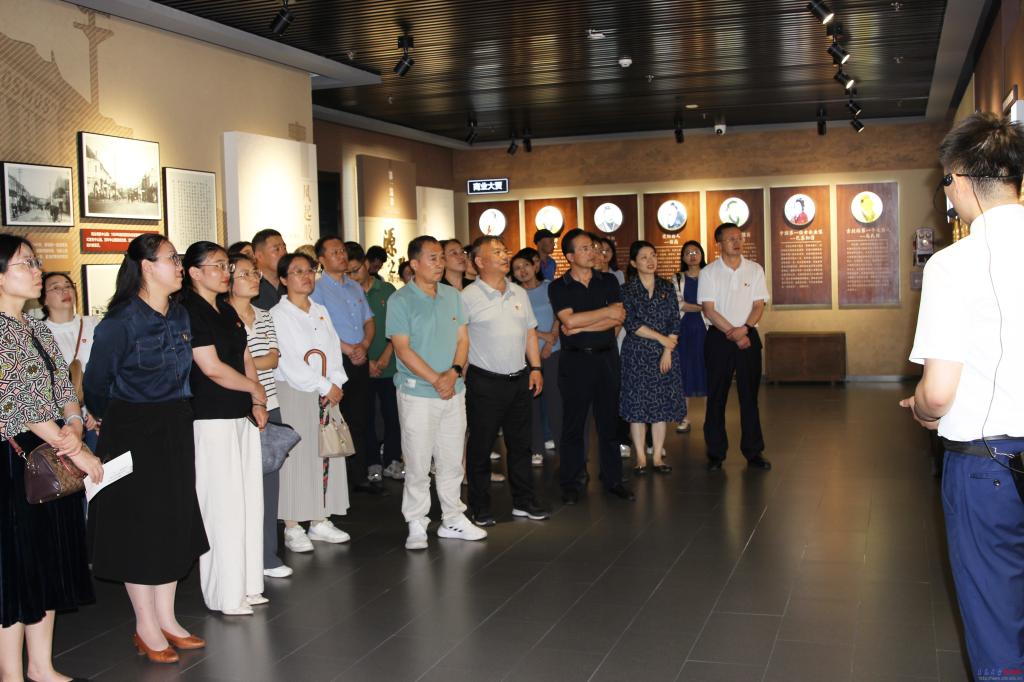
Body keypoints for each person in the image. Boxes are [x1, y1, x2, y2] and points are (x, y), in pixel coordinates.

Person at [901, 112, 1024, 678]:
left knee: (995, 613)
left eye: (944, 182)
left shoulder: (953, 264)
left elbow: (939, 392)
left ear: (961, 179)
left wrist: (922, 409)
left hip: (987, 464)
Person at [85, 233, 207, 663]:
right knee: (139, 527)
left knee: (173, 520)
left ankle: (167, 618)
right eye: (172, 259)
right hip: (132, 429)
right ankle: (145, 625)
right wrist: (109, 418)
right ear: (146, 267)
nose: (179, 266)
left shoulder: (180, 313)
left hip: (175, 424)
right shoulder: (120, 322)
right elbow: (95, 384)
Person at [0, 234, 102, 679]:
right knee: (16, 568)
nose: (37, 270)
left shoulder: (35, 327)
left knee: (45, 562)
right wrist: (75, 448)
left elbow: (63, 387)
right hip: (14, 460)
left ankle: (41, 666)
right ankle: (10, 672)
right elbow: (17, 403)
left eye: (35, 262)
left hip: (50, 451)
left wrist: (74, 423)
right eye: (26, 263)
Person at [179, 241, 268, 615]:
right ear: (194, 272)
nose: (224, 272)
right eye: (216, 265)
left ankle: (248, 584)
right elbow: (211, 367)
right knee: (222, 507)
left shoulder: (226, 309)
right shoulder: (188, 311)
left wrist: (257, 399)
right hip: (210, 417)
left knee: (249, 503)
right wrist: (254, 389)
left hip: (240, 413)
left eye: (225, 265)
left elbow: (245, 355)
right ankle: (225, 593)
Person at [386, 236, 486, 549]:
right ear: (414, 264)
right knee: (417, 462)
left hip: (454, 390)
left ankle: (453, 517)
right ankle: (416, 521)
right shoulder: (400, 300)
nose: (440, 263)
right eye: (433, 257)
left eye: (442, 257)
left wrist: (453, 373)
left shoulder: (452, 296)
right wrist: (436, 379)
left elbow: (463, 340)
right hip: (418, 393)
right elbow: (402, 349)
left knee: (452, 459)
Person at [463, 236, 548, 526]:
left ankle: (524, 502)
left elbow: (530, 332)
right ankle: (479, 506)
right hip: (484, 382)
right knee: (481, 447)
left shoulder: (518, 292)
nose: (504, 255)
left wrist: (535, 367)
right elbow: (460, 340)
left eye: (504, 250)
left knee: (521, 446)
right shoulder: (467, 296)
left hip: (519, 379)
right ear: (479, 261)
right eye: (496, 252)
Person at [270, 252, 351, 553]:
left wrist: (336, 382)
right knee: (297, 458)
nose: (306, 276)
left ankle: (320, 518)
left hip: (327, 390)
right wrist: (324, 385)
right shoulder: (278, 315)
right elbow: (289, 360)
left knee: (326, 451)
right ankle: (293, 525)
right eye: (297, 271)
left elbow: (333, 350)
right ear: (283, 279)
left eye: (309, 270)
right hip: (296, 391)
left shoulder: (320, 310)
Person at [548, 229, 633, 504]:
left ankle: (613, 479)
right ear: (570, 256)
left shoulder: (608, 281)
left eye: (593, 247)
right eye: (585, 248)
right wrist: (603, 314)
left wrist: (582, 323)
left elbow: (618, 318)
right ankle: (571, 482)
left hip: (607, 358)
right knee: (574, 424)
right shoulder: (558, 286)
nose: (593, 252)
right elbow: (568, 321)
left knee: (609, 423)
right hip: (575, 361)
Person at [226, 252, 292, 580]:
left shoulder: (265, 315)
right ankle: (240, 557)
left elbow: (273, 359)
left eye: (255, 273)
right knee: (237, 486)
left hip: (269, 402)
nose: (255, 279)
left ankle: (268, 555)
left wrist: (248, 361)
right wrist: (252, 361)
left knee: (268, 482)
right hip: (235, 406)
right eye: (246, 274)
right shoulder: (222, 317)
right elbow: (230, 364)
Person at [309, 236, 380, 494]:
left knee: (360, 419)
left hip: (359, 359)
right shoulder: (317, 289)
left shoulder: (354, 286)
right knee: (337, 420)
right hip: (336, 363)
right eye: (334, 252)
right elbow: (319, 328)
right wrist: (350, 349)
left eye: (342, 251)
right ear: (321, 260)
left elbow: (368, 321)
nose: (341, 255)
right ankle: (338, 482)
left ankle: (359, 476)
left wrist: (365, 345)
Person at [698, 223, 771, 471]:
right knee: (716, 397)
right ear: (719, 243)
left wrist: (745, 329)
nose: (737, 242)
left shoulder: (755, 269)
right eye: (731, 239)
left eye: (739, 238)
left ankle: (754, 451)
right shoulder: (709, 272)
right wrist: (734, 333)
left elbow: (759, 305)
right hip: (719, 338)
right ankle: (715, 453)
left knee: (749, 397)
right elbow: (709, 310)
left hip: (748, 335)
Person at [619, 241, 683, 474]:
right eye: (644, 257)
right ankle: (640, 458)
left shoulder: (667, 286)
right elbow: (631, 323)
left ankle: (657, 457)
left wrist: (667, 349)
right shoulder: (626, 290)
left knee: (660, 407)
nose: (650, 260)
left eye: (653, 255)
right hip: (636, 353)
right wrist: (662, 339)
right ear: (634, 263)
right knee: (637, 407)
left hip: (663, 354)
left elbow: (675, 320)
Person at [345, 242, 404, 482]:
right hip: (361, 366)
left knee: (393, 416)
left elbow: (398, 326)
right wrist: (367, 362)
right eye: (347, 272)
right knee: (366, 417)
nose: (352, 276)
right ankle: (372, 463)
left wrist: (387, 354)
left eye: (356, 270)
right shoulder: (346, 293)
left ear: (367, 264)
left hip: (390, 365)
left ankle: (393, 460)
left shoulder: (387, 290)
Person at [40, 272, 101, 449]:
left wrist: (97, 410)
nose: (64, 290)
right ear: (44, 299)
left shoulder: (94, 324)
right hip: (61, 423)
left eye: (68, 286)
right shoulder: (39, 333)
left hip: (97, 419)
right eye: (56, 288)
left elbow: (109, 369)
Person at [512, 249, 560, 465]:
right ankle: (536, 448)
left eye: (525, 265)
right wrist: (542, 336)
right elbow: (518, 325)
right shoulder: (513, 293)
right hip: (526, 356)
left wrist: (551, 340)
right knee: (531, 404)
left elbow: (560, 315)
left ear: (535, 266)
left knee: (556, 402)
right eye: (517, 268)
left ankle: (560, 443)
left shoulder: (550, 287)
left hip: (554, 352)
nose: (522, 271)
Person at [672, 241, 708, 433]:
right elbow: (679, 304)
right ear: (683, 257)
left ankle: (711, 417)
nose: (692, 255)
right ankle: (683, 418)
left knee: (708, 370)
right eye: (688, 252)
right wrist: (704, 308)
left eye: (695, 252)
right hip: (684, 329)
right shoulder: (677, 278)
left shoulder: (710, 275)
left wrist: (706, 309)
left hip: (707, 329)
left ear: (701, 254)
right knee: (683, 372)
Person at [252, 229, 287, 310]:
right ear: (259, 256)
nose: (284, 253)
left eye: (284, 248)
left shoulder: (290, 283)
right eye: (277, 249)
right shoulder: (251, 285)